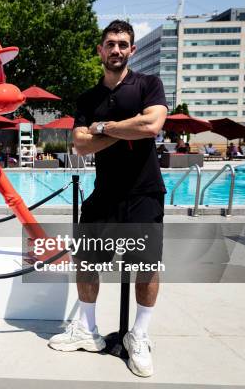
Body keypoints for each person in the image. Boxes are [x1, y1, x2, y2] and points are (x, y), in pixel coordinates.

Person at [47, 20, 167, 378]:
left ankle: (139, 336)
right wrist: (123, 127)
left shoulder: (149, 84)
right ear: (100, 50)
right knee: (86, 262)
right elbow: (80, 145)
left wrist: (102, 127)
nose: (116, 49)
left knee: (146, 268)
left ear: (132, 50)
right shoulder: (88, 98)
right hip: (104, 195)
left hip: (144, 192)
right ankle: (87, 330)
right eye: (110, 44)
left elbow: (151, 127)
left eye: (123, 44)